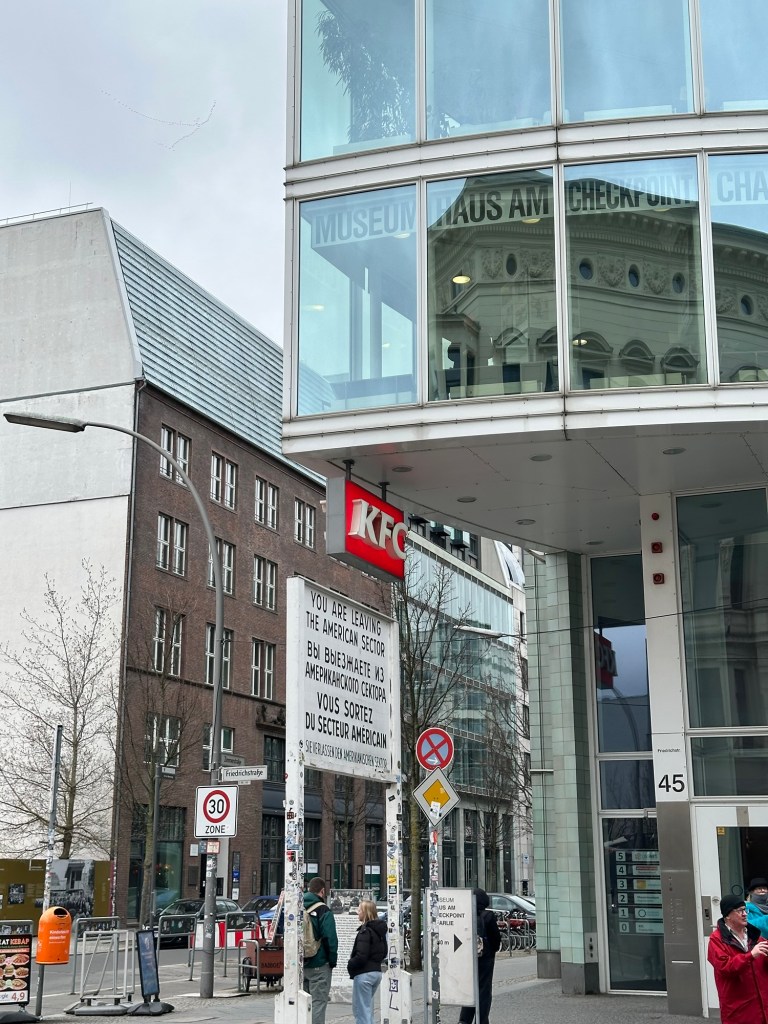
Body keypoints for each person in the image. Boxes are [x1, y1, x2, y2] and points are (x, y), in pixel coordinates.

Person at [707, 893, 768, 1023]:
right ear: (728, 915)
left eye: (745, 910)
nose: (745, 914)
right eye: (740, 911)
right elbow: (725, 968)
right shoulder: (716, 940)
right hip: (738, 1009)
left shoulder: (755, 936)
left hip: (762, 1007)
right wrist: (750, 955)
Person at [459, 888, 501, 1024]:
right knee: (483, 990)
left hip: (468, 957)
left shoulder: (465, 915)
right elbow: (496, 939)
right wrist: (492, 951)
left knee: (469, 989)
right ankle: (482, 1020)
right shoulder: (488, 916)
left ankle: (464, 1020)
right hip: (485, 958)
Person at [303, 877, 338, 1024]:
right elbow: (330, 938)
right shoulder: (324, 910)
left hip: (301, 964)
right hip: (319, 963)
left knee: (303, 1005)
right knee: (318, 1003)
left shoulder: (298, 906)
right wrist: (332, 961)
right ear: (322, 891)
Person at [347, 900, 387, 1024]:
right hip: (376, 972)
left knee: (361, 1012)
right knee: (366, 1009)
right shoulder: (380, 931)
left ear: (365, 913)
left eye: (359, 910)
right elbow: (384, 952)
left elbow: (361, 956)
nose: (357, 912)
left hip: (364, 974)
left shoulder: (365, 931)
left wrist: (350, 964)